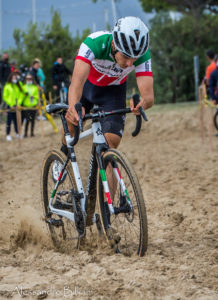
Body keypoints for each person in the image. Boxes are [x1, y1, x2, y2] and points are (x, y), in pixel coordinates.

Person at [61, 16, 154, 155]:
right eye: (126, 56)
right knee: (71, 124)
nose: (130, 63)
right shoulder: (94, 43)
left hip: (113, 92)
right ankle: (63, 152)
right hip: (87, 87)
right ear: (115, 45)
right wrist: (73, 106)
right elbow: (76, 83)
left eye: (134, 58)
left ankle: (106, 169)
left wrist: (142, 104)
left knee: (111, 144)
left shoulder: (142, 54)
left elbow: (149, 97)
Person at [3, 72, 23, 141]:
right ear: (11, 78)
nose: (14, 79)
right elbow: (5, 96)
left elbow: (21, 95)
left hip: (17, 106)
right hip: (10, 106)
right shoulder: (7, 86)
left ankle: (17, 133)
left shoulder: (19, 85)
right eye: (13, 77)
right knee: (9, 121)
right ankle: (8, 134)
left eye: (15, 77)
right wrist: (11, 104)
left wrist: (18, 103)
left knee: (16, 120)